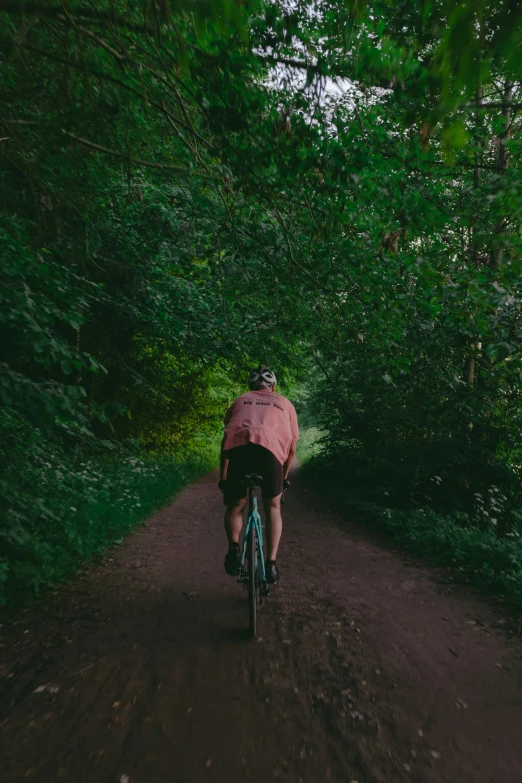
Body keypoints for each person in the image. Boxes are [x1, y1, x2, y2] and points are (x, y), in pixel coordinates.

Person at [219, 365, 299, 584]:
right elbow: (292, 447)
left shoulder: (239, 400)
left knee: (235, 506)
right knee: (273, 508)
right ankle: (271, 565)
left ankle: (234, 548)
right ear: (272, 386)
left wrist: (223, 476)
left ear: (251, 385)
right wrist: (282, 478)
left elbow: (227, 437)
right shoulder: (285, 403)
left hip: (240, 453)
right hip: (270, 455)